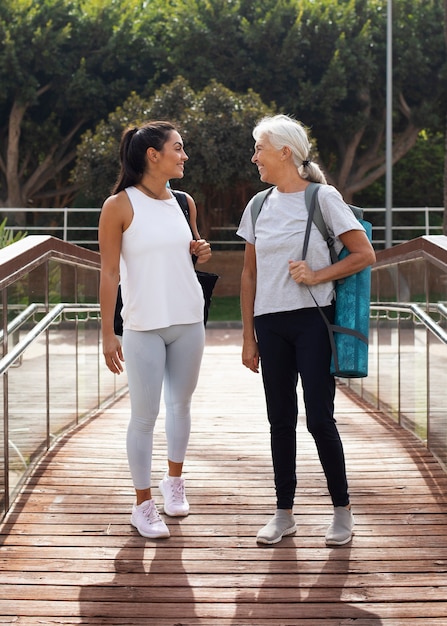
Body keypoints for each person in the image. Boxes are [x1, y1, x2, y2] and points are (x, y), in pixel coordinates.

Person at [237, 114, 376, 546]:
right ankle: (284, 513)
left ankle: (342, 510)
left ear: (284, 152)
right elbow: (248, 275)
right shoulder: (258, 205)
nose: (254, 156)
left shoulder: (323, 197)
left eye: (259, 148)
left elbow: (364, 254)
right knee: (280, 419)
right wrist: (248, 335)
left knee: (319, 419)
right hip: (270, 323)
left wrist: (317, 276)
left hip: (313, 322)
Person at [99, 121, 212, 539]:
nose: (183, 156)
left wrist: (200, 250)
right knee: (144, 417)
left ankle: (174, 482)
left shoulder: (184, 202)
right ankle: (142, 505)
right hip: (143, 325)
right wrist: (107, 332)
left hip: (188, 320)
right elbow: (109, 272)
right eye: (178, 148)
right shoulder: (119, 206)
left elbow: (192, 250)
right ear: (153, 155)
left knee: (180, 405)